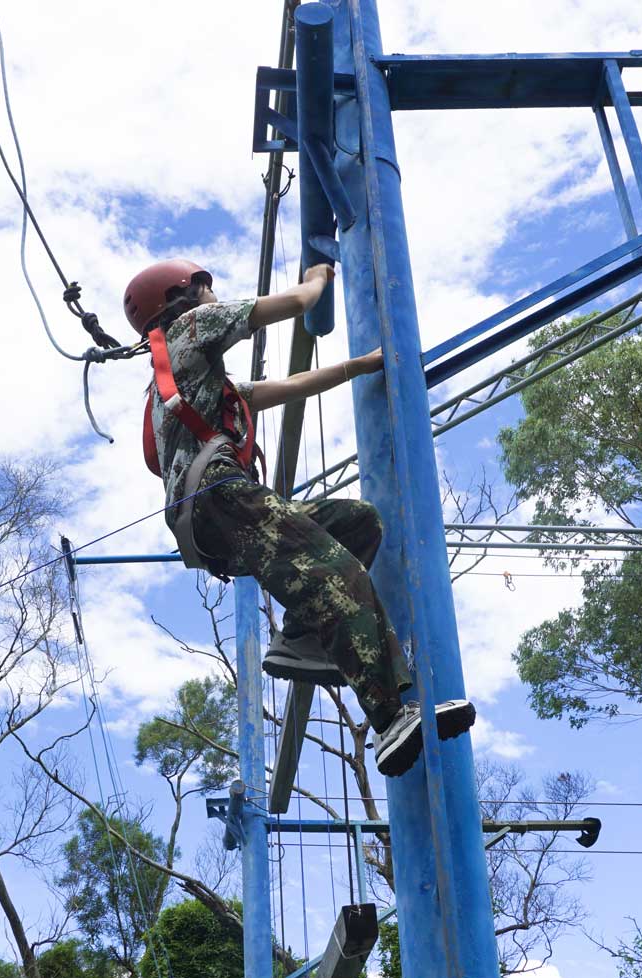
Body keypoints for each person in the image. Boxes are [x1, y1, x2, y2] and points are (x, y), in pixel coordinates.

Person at [123, 257, 474, 777]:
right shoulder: (191, 326)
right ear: (184, 294)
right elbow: (295, 304)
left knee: (357, 523)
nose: (215, 297)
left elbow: (291, 387)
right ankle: (391, 719)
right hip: (220, 498)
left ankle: (300, 637)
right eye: (207, 288)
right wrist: (318, 278)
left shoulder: (201, 386)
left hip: (213, 518)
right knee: (339, 575)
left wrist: (359, 366)